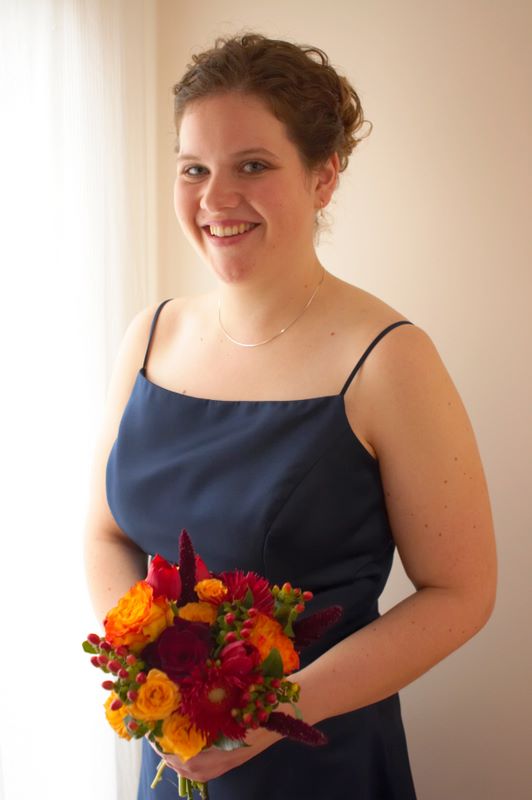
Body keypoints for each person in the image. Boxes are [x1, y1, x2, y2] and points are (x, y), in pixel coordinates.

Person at [84, 33, 497, 800]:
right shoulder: (148, 336)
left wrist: (270, 713)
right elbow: (106, 533)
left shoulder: (390, 360)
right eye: (194, 169)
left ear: (324, 176)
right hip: (174, 757)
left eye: (252, 166)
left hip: (320, 762)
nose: (214, 199)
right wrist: (153, 675)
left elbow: (461, 592)